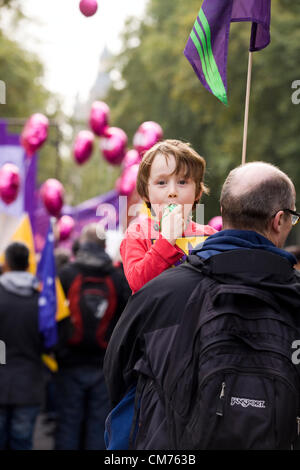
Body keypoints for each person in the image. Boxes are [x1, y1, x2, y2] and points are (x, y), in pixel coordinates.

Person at [104, 161, 300, 450]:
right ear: (279, 220)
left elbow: (117, 372)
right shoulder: (293, 300)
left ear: (223, 210)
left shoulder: (161, 291)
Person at [54, 223, 130, 450]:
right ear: (104, 245)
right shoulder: (117, 278)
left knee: (68, 423)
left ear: (81, 244)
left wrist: (59, 352)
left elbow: (54, 317)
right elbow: (127, 320)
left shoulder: (67, 274)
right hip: (104, 364)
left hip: (69, 362)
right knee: (99, 426)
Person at [120, 139, 216, 293]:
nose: (172, 191)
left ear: (197, 193)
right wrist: (166, 239)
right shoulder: (137, 234)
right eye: (162, 182)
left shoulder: (210, 236)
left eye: (182, 182)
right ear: (146, 193)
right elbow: (138, 284)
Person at [0, 242, 45, 450]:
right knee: (22, 442)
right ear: (28, 265)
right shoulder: (44, 300)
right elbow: (52, 341)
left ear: (6, 264)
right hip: (29, 382)